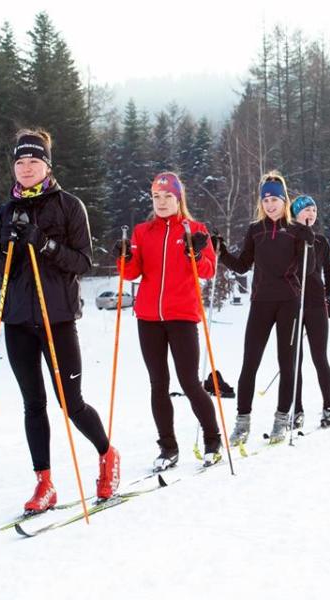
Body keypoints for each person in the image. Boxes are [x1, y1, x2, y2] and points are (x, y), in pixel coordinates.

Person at [0, 129, 120, 513]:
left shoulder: (68, 206)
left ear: (47, 165)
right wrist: (10, 250)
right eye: (20, 162)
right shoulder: (3, 212)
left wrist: (43, 243)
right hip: (17, 322)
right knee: (33, 404)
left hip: (57, 319)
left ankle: (107, 455)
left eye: (33, 161)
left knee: (70, 402)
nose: (26, 168)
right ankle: (44, 484)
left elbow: (82, 262)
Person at [116, 172, 223, 470]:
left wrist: (197, 252)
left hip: (182, 315)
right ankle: (168, 448)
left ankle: (212, 440)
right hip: (148, 317)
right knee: (158, 384)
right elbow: (131, 273)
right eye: (156, 197)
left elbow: (208, 271)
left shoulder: (195, 229)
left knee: (189, 382)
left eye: (167, 197)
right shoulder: (142, 231)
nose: (161, 202)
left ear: (179, 199)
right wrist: (123, 258)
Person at [213, 171, 314, 445]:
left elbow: (310, 269)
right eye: (266, 199)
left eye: (275, 199)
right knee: (250, 363)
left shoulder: (294, 231)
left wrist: (308, 239)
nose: (270, 205)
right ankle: (242, 423)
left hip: (289, 302)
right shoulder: (255, 230)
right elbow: (243, 265)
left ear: (285, 201)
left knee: (287, 362)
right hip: (260, 302)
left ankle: (282, 420)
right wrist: (221, 252)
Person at [289, 195, 330, 429]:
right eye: (306, 210)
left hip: (317, 304)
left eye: (314, 210)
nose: (311, 214)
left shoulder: (320, 242)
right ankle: (296, 410)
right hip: (293, 304)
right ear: (296, 214)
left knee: (320, 357)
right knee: (293, 360)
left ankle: (328, 406)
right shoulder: (289, 238)